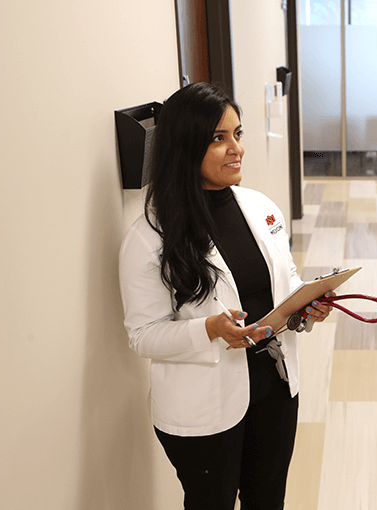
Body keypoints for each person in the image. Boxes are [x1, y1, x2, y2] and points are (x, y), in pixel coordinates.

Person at [119, 82, 332, 510]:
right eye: (218, 138)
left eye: (238, 134)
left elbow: (283, 282)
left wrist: (305, 305)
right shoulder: (149, 237)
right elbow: (142, 335)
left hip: (274, 389)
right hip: (204, 407)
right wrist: (209, 330)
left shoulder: (260, 207)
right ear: (185, 147)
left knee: (268, 500)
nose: (237, 149)